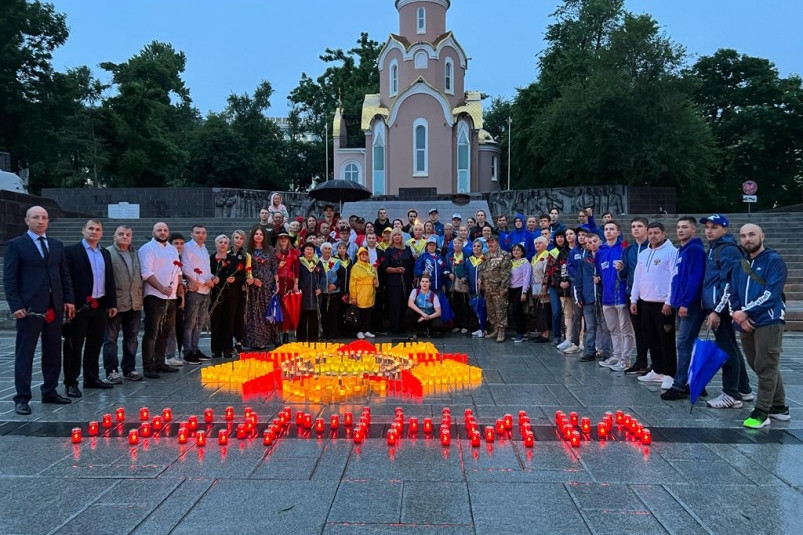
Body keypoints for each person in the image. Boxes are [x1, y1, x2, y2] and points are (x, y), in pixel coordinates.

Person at [5, 206, 75, 414]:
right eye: (36, 217)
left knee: (53, 351)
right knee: (25, 353)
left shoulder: (56, 245)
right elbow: (10, 278)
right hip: (29, 308)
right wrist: (16, 305)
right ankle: (22, 397)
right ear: (27, 220)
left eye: (44, 217)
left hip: (54, 306)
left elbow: (64, 275)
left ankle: (50, 391)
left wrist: (68, 299)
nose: (41, 221)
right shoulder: (17, 245)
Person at [721, 224, 789, 428]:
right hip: (745, 321)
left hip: (769, 320)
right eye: (743, 236)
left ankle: (762, 411)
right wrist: (738, 314)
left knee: (766, 365)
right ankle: (779, 407)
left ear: (762, 236)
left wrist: (746, 312)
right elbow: (731, 291)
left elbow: (772, 293)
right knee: (758, 364)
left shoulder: (774, 260)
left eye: (752, 234)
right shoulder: (740, 263)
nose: (747, 239)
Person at [701, 214, 754, 409]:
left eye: (714, 227)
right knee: (730, 346)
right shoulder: (715, 248)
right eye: (707, 227)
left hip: (722, 308)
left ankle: (731, 394)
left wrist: (716, 310)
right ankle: (743, 388)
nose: (709, 231)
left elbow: (729, 282)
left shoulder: (728, 249)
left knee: (726, 349)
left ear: (725, 229)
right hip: (718, 305)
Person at [63, 219, 118, 393]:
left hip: (99, 304)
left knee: (95, 343)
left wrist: (112, 303)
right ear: (83, 230)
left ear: (102, 233)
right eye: (91, 228)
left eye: (98, 229)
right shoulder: (71, 251)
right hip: (79, 306)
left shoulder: (105, 253)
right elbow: (66, 279)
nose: (94, 232)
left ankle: (91, 378)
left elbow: (109, 279)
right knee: (74, 345)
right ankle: (71, 382)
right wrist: (69, 301)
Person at [662, 217, 706, 400]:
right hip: (681, 303)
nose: (680, 230)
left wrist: (686, 302)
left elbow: (695, 278)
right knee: (687, 344)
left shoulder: (694, 250)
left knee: (683, 343)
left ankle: (679, 385)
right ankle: (694, 383)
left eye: (685, 227)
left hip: (690, 305)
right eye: (678, 227)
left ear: (693, 230)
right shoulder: (682, 250)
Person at [630, 222, 678, 385]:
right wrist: (634, 298)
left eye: (656, 233)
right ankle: (657, 370)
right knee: (651, 338)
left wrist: (669, 301)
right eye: (650, 233)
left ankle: (670, 374)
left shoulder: (671, 252)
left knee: (666, 340)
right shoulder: (644, 253)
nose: (653, 236)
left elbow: (674, 278)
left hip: (663, 304)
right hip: (645, 302)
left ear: (663, 234)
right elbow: (637, 277)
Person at [138, 222, 182, 378]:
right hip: (154, 296)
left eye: (165, 230)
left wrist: (179, 290)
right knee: (152, 333)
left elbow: (178, 271)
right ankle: (148, 366)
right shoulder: (147, 249)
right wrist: (161, 288)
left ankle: (160, 362)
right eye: (159, 230)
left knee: (165, 332)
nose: (162, 232)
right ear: (153, 232)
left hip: (171, 297)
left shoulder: (172, 249)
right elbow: (146, 273)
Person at [103, 225, 144, 383]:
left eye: (128, 234)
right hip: (115, 303)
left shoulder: (136, 254)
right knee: (110, 339)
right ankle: (111, 370)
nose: (125, 236)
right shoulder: (107, 253)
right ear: (114, 236)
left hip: (134, 302)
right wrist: (108, 302)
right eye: (121, 234)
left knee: (132, 338)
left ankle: (129, 368)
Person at [597, 221, 634, 372]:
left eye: (612, 229)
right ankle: (616, 355)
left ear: (618, 232)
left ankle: (626, 359)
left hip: (621, 295)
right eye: (606, 229)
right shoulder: (600, 251)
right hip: (607, 296)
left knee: (626, 329)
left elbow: (630, 270)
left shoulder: (624, 248)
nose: (608, 232)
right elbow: (599, 272)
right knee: (613, 329)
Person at [574, 233, 612, 362]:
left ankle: (607, 352)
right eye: (589, 242)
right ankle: (590, 351)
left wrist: (600, 280)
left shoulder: (605, 257)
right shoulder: (584, 261)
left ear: (600, 241)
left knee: (605, 327)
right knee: (590, 327)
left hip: (603, 297)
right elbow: (578, 280)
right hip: (588, 297)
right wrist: (579, 296)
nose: (592, 244)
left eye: (595, 241)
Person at [181, 225, 215, 364]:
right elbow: (186, 268)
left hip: (206, 290)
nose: (201, 235)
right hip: (195, 290)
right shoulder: (187, 247)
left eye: (203, 233)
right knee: (190, 322)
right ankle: (188, 351)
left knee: (200, 322)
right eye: (197, 232)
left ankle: (195, 349)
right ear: (191, 234)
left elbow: (206, 269)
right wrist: (202, 281)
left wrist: (212, 278)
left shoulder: (204, 249)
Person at [622, 217, 650, 375]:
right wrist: (620, 269)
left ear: (646, 229)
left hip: (649, 295)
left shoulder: (651, 247)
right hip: (631, 294)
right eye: (633, 226)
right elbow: (625, 273)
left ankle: (657, 364)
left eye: (639, 226)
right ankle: (641, 361)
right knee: (638, 330)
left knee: (650, 330)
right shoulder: (629, 250)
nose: (636, 229)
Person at [244, 226, 279, 349]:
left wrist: (277, 283)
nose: (258, 236)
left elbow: (274, 267)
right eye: (256, 234)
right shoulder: (248, 251)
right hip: (253, 286)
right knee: (255, 312)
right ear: (253, 235)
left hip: (268, 285)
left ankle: (269, 339)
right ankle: (256, 340)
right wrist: (252, 279)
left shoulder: (270, 250)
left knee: (267, 311)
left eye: (261, 234)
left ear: (264, 236)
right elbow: (246, 269)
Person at [208, 235, 240, 358]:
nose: (223, 244)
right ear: (216, 244)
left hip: (230, 294)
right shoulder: (210, 259)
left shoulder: (234, 259)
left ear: (228, 245)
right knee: (215, 322)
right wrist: (211, 278)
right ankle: (216, 349)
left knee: (229, 321)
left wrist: (235, 279)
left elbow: (242, 275)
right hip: (215, 294)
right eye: (220, 242)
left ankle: (228, 349)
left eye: (225, 242)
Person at [381, 228, 415, 334]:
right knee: (395, 305)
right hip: (394, 282)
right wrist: (396, 270)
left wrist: (413, 279)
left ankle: (406, 326)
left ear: (402, 237)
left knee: (406, 304)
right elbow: (385, 267)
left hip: (407, 281)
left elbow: (412, 264)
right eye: (395, 235)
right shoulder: (388, 251)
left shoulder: (407, 249)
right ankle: (395, 328)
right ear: (392, 237)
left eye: (399, 235)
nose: (397, 237)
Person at [479, 234, 511, 342]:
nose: (490, 244)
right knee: (491, 310)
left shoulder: (504, 255)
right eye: (488, 242)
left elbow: (506, 273)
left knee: (500, 310)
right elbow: (481, 268)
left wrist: (503, 288)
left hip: (499, 288)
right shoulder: (485, 255)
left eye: (492, 242)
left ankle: (501, 332)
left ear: (497, 242)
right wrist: (480, 279)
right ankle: (495, 329)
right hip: (487, 288)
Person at [164, 233, 186, 368]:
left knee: (175, 326)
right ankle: (167, 355)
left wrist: (181, 295)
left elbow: (179, 277)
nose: (179, 246)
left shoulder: (179, 257)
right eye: (176, 243)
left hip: (176, 295)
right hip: (164, 294)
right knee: (168, 327)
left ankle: (171, 354)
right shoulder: (168, 256)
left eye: (181, 243)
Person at [551, 230, 574, 350]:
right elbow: (555, 269)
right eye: (567, 235)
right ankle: (567, 338)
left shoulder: (579, 251)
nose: (568, 237)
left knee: (578, 315)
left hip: (575, 287)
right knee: (566, 314)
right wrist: (560, 281)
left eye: (571, 234)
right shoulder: (561, 252)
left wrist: (569, 281)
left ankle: (579, 340)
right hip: (561, 288)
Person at [297, 242, 325, 341]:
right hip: (303, 294)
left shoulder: (317, 262)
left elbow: (323, 277)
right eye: (307, 249)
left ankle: (313, 339)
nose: (309, 251)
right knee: (302, 317)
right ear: (303, 251)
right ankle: (301, 339)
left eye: (311, 249)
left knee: (314, 317)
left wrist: (321, 288)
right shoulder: (299, 262)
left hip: (314, 294)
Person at [275, 231, 300, 343]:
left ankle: (286, 333)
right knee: (278, 308)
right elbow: (271, 269)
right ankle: (278, 333)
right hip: (278, 282)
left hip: (290, 282)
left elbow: (297, 270)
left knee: (287, 308)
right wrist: (278, 266)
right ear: (278, 240)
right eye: (281, 238)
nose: (284, 239)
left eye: (286, 237)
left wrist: (296, 284)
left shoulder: (294, 253)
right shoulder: (274, 253)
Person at [350, 247, 379, 339]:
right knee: (360, 313)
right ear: (358, 256)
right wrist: (353, 296)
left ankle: (366, 330)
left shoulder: (371, 266)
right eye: (362, 254)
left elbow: (376, 278)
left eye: (366, 254)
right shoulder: (356, 267)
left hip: (370, 293)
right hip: (360, 293)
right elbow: (352, 283)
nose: (364, 256)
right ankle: (359, 331)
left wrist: (376, 282)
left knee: (368, 313)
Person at [405, 274, 445, 339]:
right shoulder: (415, 291)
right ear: (420, 283)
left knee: (439, 324)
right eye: (423, 281)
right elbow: (410, 303)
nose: (424, 283)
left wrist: (428, 317)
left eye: (427, 282)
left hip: (429, 317)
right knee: (408, 311)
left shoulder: (434, 295)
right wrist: (423, 314)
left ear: (430, 283)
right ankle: (413, 332)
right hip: (418, 317)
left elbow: (438, 312)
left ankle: (429, 331)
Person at [229, 230, 249, 353]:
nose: (238, 240)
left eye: (241, 238)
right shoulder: (227, 254)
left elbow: (247, 274)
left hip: (240, 289)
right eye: (236, 237)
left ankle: (238, 341)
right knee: (229, 316)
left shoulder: (246, 255)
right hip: (228, 290)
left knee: (239, 316)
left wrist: (237, 279)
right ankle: (228, 341)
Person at [445, 236, 470, 334]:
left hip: (463, 284)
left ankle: (465, 325)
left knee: (464, 305)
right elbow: (445, 268)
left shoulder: (466, 256)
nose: (457, 245)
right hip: (452, 284)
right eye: (455, 243)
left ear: (462, 245)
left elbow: (469, 269)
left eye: (459, 243)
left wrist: (465, 277)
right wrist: (448, 274)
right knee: (455, 305)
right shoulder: (448, 256)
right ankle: (458, 325)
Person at [530, 236, 552, 343]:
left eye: (540, 243)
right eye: (536, 243)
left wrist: (545, 286)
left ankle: (546, 334)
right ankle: (542, 332)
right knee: (538, 310)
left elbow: (547, 272)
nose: (537, 245)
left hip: (543, 286)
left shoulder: (547, 255)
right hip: (535, 287)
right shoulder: (534, 257)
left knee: (544, 309)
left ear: (545, 245)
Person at [509, 244, 531, 343]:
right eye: (514, 250)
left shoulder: (525, 262)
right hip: (511, 289)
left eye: (518, 250)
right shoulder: (510, 262)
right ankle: (523, 332)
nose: (516, 251)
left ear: (522, 252)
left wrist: (524, 292)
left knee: (517, 311)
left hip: (520, 289)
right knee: (515, 311)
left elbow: (526, 278)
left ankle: (520, 333)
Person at [319, 243, 342, 340]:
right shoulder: (317, 262)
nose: (327, 250)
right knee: (323, 313)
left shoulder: (336, 261)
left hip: (334, 292)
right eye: (325, 248)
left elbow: (341, 277)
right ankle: (324, 333)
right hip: (322, 292)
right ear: (321, 250)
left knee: (333, 314)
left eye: (329, 249)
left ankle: (332, 334)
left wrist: (335, 285)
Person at [466, 239, 485, 337]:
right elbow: (466, 272)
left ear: (482, 248)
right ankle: (479, 328)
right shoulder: (469, 260)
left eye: (478, 246)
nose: (476, 248)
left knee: (483, 309)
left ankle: (484, 329)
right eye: (474, 246)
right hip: (472, 289)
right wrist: (464, 278)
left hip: (483, 290)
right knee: (475, 309)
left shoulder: (485, 259)